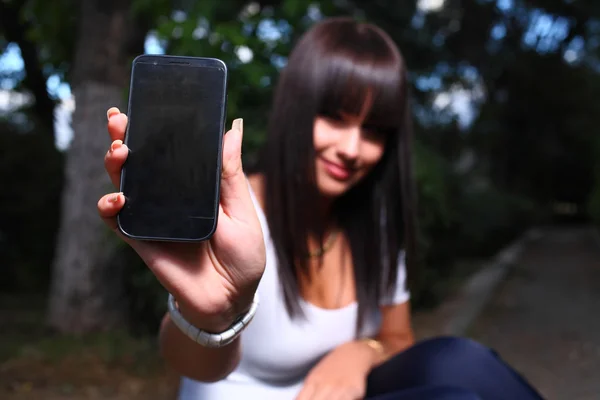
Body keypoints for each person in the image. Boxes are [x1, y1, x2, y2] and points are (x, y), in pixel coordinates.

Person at [98, 17, 544, 400]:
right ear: (296, 110)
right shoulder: (235, 217)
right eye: (335, 117)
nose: (352, 148)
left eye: (373, 130)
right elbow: (193, 365)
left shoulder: (375, 222)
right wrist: (213, 315)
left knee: (458, 366)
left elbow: (397, 337)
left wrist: (360, 353)